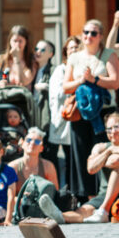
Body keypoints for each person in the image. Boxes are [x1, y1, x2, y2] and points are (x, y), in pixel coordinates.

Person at [41, 111, 119, 224]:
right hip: (104, 195)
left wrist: (102, 160)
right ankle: (59, 216)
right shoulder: (100, 147)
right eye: (109, 129)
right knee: (84, 210)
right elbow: (91, 168)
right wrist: (109, 151)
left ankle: (103, 211)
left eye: (116, 127)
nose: (113, 131)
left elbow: (116, 161)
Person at [64, 19, 119, 202]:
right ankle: (86, 199)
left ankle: (103, 196)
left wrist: (94, 79)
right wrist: (81, 81)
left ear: (100, 36)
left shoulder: (109, 55)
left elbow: (116, 82)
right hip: (81, 112)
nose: (89, 36)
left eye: (93, 33)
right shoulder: (74, 57)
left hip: (103, 113)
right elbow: (66, 87)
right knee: (81, 155)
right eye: (86, 32)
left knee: (101, 152)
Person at [45, 35, 81, 185]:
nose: (74, 50)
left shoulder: (84, 69)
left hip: (79, 121)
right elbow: (59, 95)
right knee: (64, 159)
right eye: (71, 48)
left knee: (76, 160)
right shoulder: (60, 70)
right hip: (63, 120)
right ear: (66, 51)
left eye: (77, 47)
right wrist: (77, 84)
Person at [0, 25, 38, 90]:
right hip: (4, 95)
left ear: (26, 42)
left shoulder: (31, 61)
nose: (17, 44)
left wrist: (16, 58)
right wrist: (0, 84)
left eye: (20, 41)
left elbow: (23, 82)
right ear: (10, 41)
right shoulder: (0, 59)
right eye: (15, 41)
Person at [9, 127, 59, 191]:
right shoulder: (13, 167)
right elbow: (9, 195)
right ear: (22, 144)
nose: (32, 143)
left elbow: (54, 193)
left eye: (37, 142)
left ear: (41, 148)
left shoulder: (48, 167)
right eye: (28, 140)